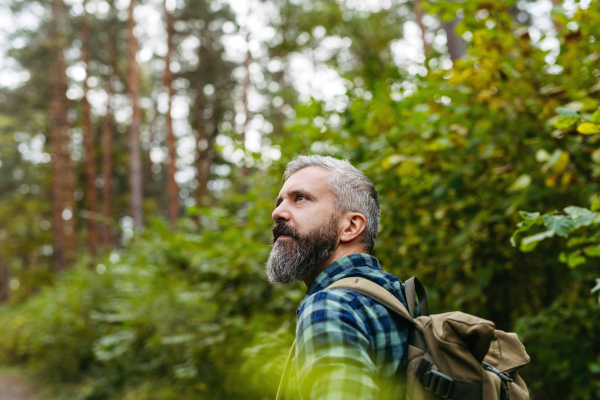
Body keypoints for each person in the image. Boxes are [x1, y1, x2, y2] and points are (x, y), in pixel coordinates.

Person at [267, 155, 412, 400]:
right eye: (280, 202)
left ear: (351, 227)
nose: (277, 213)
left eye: (300, 198)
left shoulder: (330, 305)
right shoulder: (397, 297)